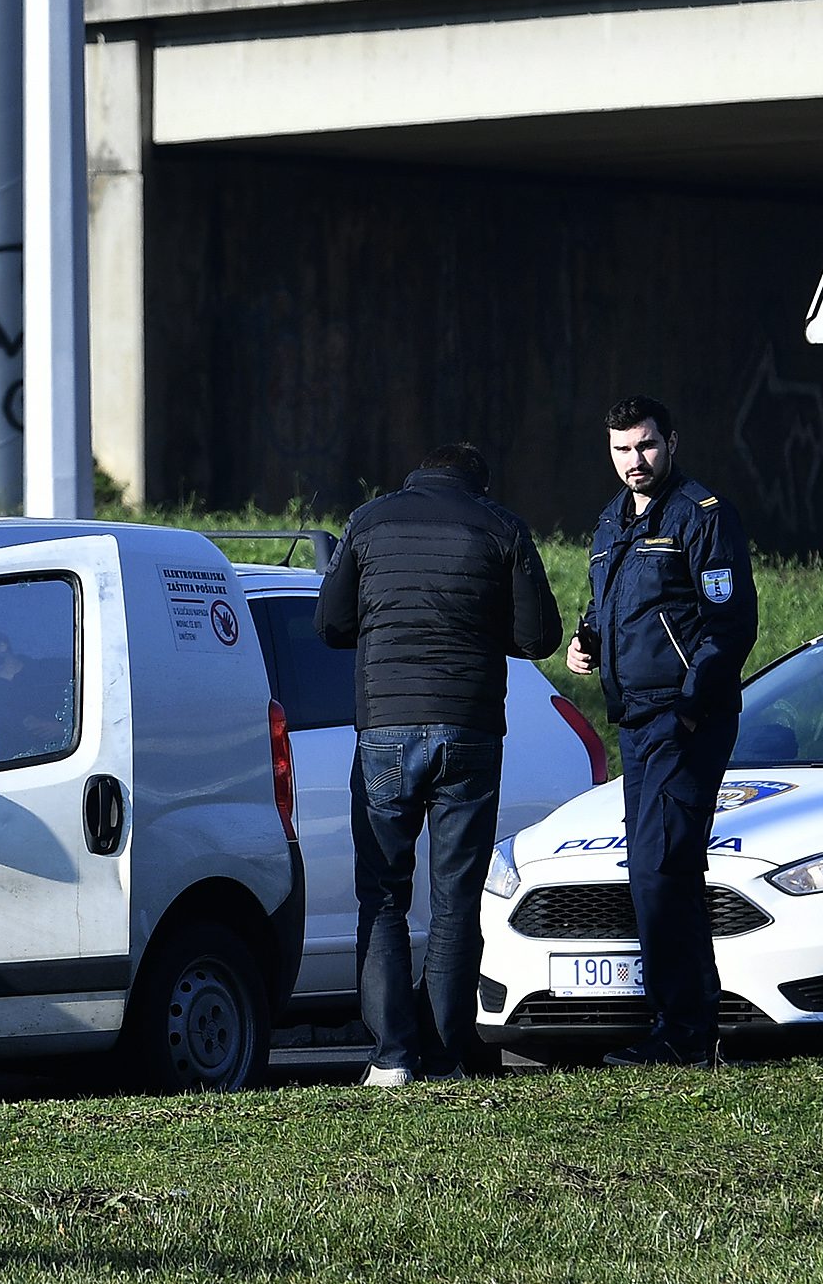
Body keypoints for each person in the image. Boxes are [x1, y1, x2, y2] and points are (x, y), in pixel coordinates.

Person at [316, 442, 561, 1087]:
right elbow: (540, 637)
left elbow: (330, 623)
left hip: (387, 730)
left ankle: (392, 1055)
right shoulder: (501, 526)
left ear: (416, 475)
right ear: (478, 483)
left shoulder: (370, 522)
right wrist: (480, 629)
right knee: (456, 899)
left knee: (384, 893)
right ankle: (447, 1055)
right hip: (471, 729)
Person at [570, 395, 758, 1068]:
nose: (634, 461)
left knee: (660, 869)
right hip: (636, 719)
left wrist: (686, 708)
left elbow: (728, 627)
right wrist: (583, 642)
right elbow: (605, 607)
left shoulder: (701, 517)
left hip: (685, 719)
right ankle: (683, 1028)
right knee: (658, 871)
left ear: (670, 443)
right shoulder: (610, 521)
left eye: (645, 446)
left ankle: (682, 1032)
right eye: (622, 449)